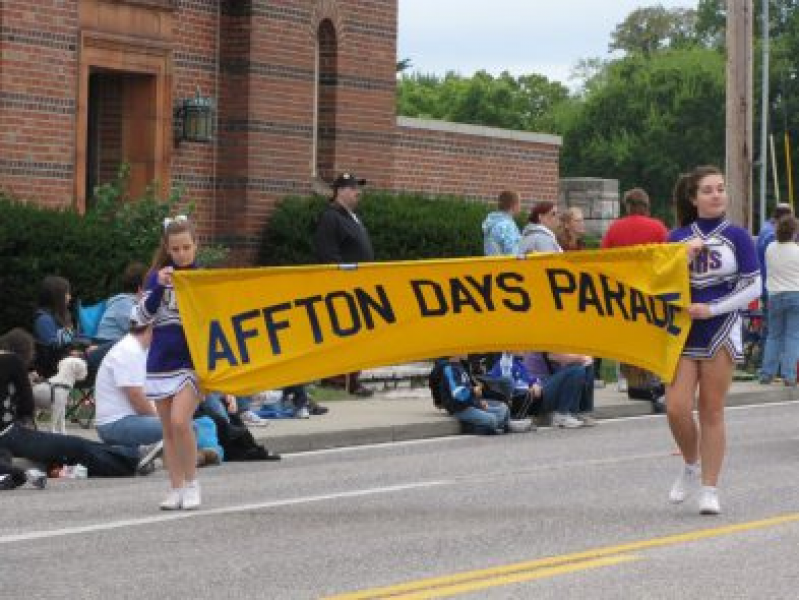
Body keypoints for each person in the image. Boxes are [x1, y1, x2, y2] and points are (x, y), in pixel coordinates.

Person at [666, 165, 761, 515]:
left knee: (711, 408)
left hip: (721, 327)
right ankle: (691, 463)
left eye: (720, 188)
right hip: (682, 330)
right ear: (694, 198)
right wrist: (681, 258)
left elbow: (753, 285)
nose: (717, 195)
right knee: (676, 407)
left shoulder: (737, 235)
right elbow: (659, 283)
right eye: (708, 190)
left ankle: (710, 487)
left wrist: (714, 308)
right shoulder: (675, 237)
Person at [0, 328, 154, 477]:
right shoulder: (11, 361)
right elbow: (26, 407)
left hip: (7, 438)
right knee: (74, 446)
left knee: (60, 450)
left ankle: (129, 455)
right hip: (9, 434)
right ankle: (131, 459)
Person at [133, 214, 203, 510]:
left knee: (180, 421)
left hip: (192, 363)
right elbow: (139, 319)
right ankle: (174, 487)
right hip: (161, 361)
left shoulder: (204, 278)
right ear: (167, 248)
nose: (182, 254)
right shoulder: (157, 277)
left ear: (196, 245)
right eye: (176, 249)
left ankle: (192, 483)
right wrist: (159, 286)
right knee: (168, 429)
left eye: (187, 247)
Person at [601, 188, 670, 411]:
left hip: (623, 289)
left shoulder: (615, 228)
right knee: (650, 335)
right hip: (651, 288)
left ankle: (626, 378)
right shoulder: (658, 227)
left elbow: (603, 257)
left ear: (627, 205)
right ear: (646, 205)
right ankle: (650, 380)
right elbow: (668, 257)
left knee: (627, 334)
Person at [313, 172, 375, 398]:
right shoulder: (331, 217)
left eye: (358, 188)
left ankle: (352, 378)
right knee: (342, 333)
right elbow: (328, 254)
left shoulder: (352, 217)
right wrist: (341, 282)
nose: (358, 192)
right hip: (342, 288)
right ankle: (337, 379)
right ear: (339, 191)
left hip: (360, 287)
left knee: (358, 335)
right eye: (352, 188)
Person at [94, 306, 164, 463]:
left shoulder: (140, 349)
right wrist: (161, 419)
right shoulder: (129, 350)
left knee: (197, 423)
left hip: (131, 420)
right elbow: (136, 396)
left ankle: (197, 454)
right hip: (116, 423)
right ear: (153, 325)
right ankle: (151, 452)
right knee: (184, 427)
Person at [489, 353, 590, 428]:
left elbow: (529, 378)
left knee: (584, 367)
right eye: (519, 345)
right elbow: (506, 383)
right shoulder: (505, 363)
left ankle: (575, 412)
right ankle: (562, 414)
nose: (524, 349)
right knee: (577, 370)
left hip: (537, 392)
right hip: (531, 399)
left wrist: (534, 383)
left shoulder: (518, 363)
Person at [759, 215, 798, 386]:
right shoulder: (797, 250)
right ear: (794, 233)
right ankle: (789, 376)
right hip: (795, 294)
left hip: (774, 295)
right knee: (792, 337)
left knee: (773, 336)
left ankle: (767, 374)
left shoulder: (770, 248)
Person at [438, 356, 510, 435]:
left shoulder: (461, 365)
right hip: (459, 408)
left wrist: (479, 401)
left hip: (470, 403)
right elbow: (458, 394)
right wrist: (473, 391)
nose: (467, 352)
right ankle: (468, 427)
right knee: (492, 420)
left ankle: (496, 426)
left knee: (504, 409)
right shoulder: (448, 369)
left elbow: (470, 388)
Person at [95, 261, 147, 343]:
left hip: (114, 344)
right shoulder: (124, 303)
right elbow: (138, 330)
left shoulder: (128, 302)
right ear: (140, 288)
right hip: (106, 344)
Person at [482, 190, 522, 256]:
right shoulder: (507, 226)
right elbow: (512, 253)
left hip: (492, 264)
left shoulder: (492, 222)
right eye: (519, 203)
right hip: (507, 265)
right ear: (513, 205)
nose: (520, 206)